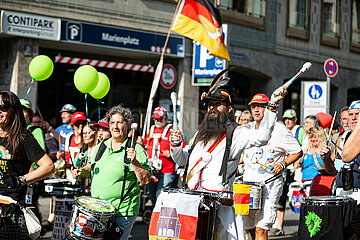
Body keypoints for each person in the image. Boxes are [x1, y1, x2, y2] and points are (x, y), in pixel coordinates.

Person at [169, 87, 285, 239]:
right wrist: (176, 146)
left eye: (218, 104)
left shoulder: (236, 133)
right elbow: (183, 160)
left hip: (220, 205)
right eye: (210, 104)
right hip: (193, 201)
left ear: (229, 109)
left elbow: (262, 137)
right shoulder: (200, 133)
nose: (212, 107)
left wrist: (271, 107)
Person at [81, 105, 151, 240]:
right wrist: (80, 172)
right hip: (99, 210)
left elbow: (146, 180)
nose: (116, 126)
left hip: (122, 211)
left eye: (120, 122)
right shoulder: (102, 146)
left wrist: (135, 162)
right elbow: (89, 167)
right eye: (112, 123)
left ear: (127, 124)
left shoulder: (135, 148)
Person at [242, 95, 302, 240]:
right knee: (248, 226)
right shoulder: (247, 128)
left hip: (270, 184)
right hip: (248, 184)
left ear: (268, 109)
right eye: (253, 106)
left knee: (262, 227)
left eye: (261, 106)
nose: (256, 110)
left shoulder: (279, 130)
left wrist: (282, 164)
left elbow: (297, 151)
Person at [0, 90, 54, 239]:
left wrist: (20, 180)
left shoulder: (23, 137)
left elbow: (48, 166)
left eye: (3, 107)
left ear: (13, 110)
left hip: (11, 211)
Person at [143, 107, 184, 205]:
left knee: (161, 198)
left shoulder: (172, 131)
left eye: (159, 119)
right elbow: (145, 145)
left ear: (165, 118)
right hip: (152, 171)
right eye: (155, 119)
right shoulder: (151, 130)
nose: (157, 121)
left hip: (167, 172)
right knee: (153, 198)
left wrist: (171, 153)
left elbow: (183, 150)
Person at [299, 126, 326, 195]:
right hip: (305, 183)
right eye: (311, 137)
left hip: (319, 183)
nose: (313, 139)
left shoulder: (325, 149)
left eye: (315, 137)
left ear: (320, 137)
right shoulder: (306, 149)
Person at [64, 112, 86, 183]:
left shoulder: (88, 139)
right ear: (73, 126)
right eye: (77, 124)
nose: (80, 126)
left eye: (83, 123)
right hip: (70, 175)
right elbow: (67, 156)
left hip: (83, 174)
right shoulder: (69, 137)